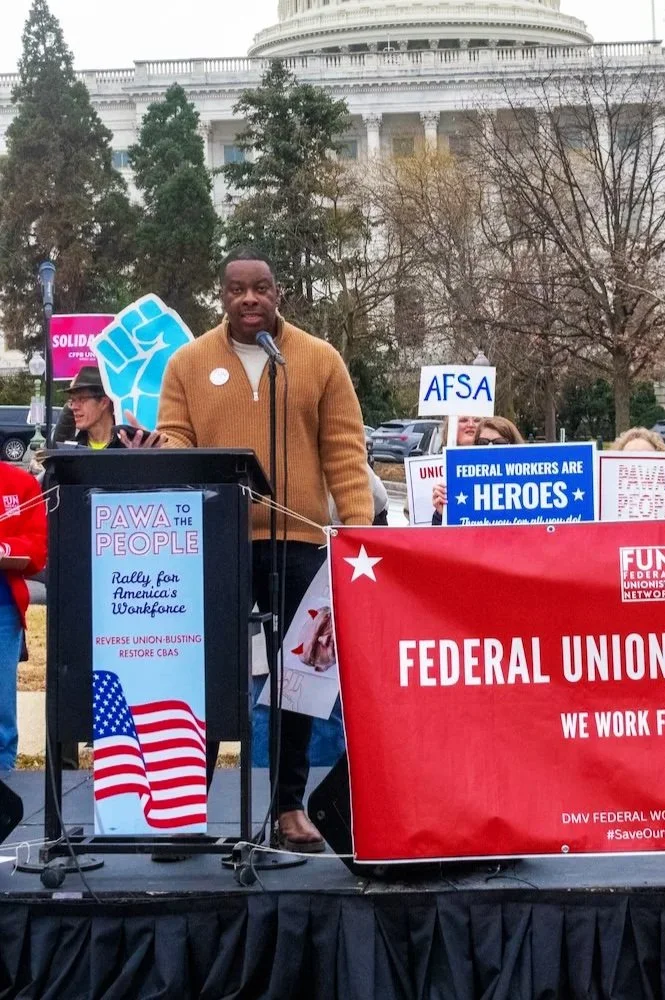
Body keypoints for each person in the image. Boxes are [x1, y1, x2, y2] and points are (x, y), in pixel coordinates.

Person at [157, 246, 373, 853]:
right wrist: (165, 449)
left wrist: (356, 532)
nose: (248, 298)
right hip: (215, 542)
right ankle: (182, 809)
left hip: (300, 541)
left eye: (261, 287)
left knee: (298, 679)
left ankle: (287, 808)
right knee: (206, 675)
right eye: (236, 289)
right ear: (220, 296)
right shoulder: (188, 362)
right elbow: (176, 435)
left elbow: (345, 455)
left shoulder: (318, 359)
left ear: (279, 293)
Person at [0, 462, 47, 774]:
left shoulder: (20, 482)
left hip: (3, 610)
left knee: (1, 706)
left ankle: (4, 776)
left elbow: (38, 548)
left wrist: (4, 547)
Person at [430, 415, 482, 523]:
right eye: (463, 420)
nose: (471, 425)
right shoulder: (430, 466)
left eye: (477, 420)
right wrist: (441, 515)